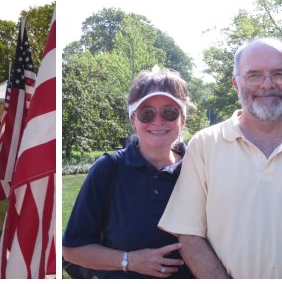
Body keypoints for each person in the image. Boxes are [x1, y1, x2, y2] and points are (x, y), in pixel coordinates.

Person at [159, 38, 282, 279]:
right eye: (253, 75)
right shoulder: (205, 145)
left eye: (279, 74)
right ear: (236, 83)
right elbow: (189, 235)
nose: (267, 85)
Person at [62, 66, 191, 279]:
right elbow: (72, 249)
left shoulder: (197, 169)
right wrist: (130, 261)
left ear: (182, 119)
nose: (158, 121)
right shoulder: (107, 169)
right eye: (146, 113)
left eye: (169, 112)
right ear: (133, 120)